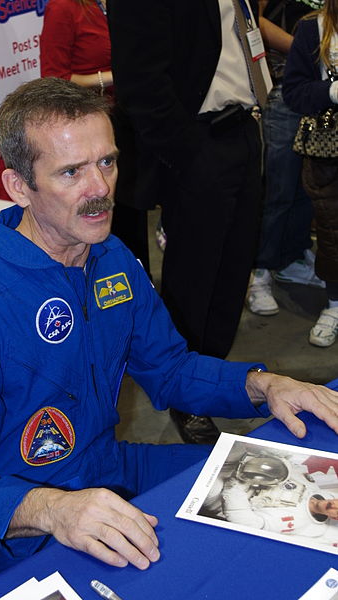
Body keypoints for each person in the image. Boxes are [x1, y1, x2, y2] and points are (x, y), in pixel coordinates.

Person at [0, 78, 338, 579]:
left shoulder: (110, 258)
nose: (100, 190)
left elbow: (170, 369)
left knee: (294, 517)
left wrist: (263, 385)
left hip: (113, 468)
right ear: (19, 186)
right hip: (35, 525)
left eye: (106, 162)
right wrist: (53, 509)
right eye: (71, 172)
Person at [107, 0, 273, 444]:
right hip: (198, 141)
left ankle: (212, 382)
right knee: (193, 281)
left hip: (244, 129)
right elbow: (140, 83)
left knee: (231, 272)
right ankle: (185, 395)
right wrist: (188, 157)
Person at [39, 0, 151, 274]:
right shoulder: (65, 7)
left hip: (129, 122)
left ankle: (137, 283)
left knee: (132, 211)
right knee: (108, 213)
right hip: (89, 129)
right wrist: (113, 78)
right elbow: (54, 77)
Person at [246, 0, 325, 317]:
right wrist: (307, 44)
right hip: (284, 86)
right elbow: (254, 19)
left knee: (310, 187)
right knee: (279, 188)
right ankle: (260, 272)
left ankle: (292, 257)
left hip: (320, 90)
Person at [283, 0, 338, 347]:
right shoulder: (313, 28)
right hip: (328, 153)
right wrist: (331, 90)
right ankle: (334, 304)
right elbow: (293, 92)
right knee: (332, 230)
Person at [221, 455, 338, 544]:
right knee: (233, 450)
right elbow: (285, 460)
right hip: (247, 464)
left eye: (337, 511)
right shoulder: (311, 485)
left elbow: (249, 523)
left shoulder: (297, 523)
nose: (334, 506)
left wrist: (235, 487)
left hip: (225, 492)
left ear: (334, 517)